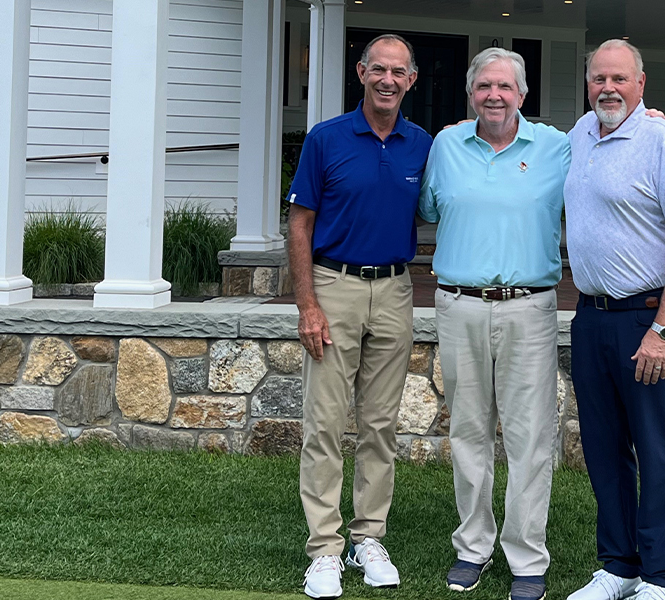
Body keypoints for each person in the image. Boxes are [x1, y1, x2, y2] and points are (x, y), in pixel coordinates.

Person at [418, 47, 569, 600]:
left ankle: (528, 558)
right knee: (469, 432)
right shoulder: (447, 145)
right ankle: (472, 547)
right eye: (484, 86)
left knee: (530, 438)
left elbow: (608, 155)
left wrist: (651, 117)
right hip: (459, 305)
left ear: (522, 95)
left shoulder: (556, 147)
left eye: (505, 87)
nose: (494, 96)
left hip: (529, 306)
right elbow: (430, 209)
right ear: (470, 94)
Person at [285, 34, 432, 600]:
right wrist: (308, 305)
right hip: (333, 286)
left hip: (395, 289)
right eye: (379, 70)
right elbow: (299, 224)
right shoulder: (326, 139)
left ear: (411, 80)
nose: (388, 80)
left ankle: (368, 537)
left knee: (380, 423)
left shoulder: (422, 144)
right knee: (324, 423)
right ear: (361, 73)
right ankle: (324, 548)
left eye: (399, 72)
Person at [562, 40, 665, 600]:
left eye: (619, 78)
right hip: (591, 318)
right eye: (599, 78)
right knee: (603, 448)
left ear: (641, 84)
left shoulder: (661, 139)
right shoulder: (579, 134)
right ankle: (618, 567)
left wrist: (664, 329)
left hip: (647, 320)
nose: (608, 88)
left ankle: (658, 577)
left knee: (655, 447)